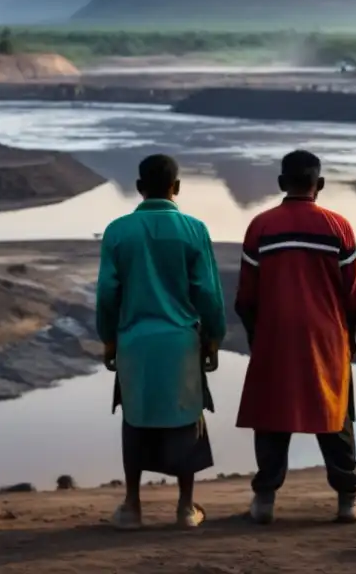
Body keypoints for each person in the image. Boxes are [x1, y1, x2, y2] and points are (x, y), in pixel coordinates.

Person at [234, 149, 356, 524]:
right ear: (320, 185)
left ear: (282, 183)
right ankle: (349, 498)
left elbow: (246, 297)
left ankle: (264, 501)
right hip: (326, 337)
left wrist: (255, 337)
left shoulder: (260, 227)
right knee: (335, 413)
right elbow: (355, 295)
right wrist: (352, 336)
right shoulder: (338, 227)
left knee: (272, 415)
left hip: (274, 336)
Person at [96, 154, 227, 530]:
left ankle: (132, 507)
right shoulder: (194, 229)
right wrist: (214, 337)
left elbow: (107, 292)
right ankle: (186, 508)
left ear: (139, 188)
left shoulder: (118, 231)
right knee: (187, 420)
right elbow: (208, 293)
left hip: (134, 343)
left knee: (135, 420)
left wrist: (108, 340)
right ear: (177, 187)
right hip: (182, 343)